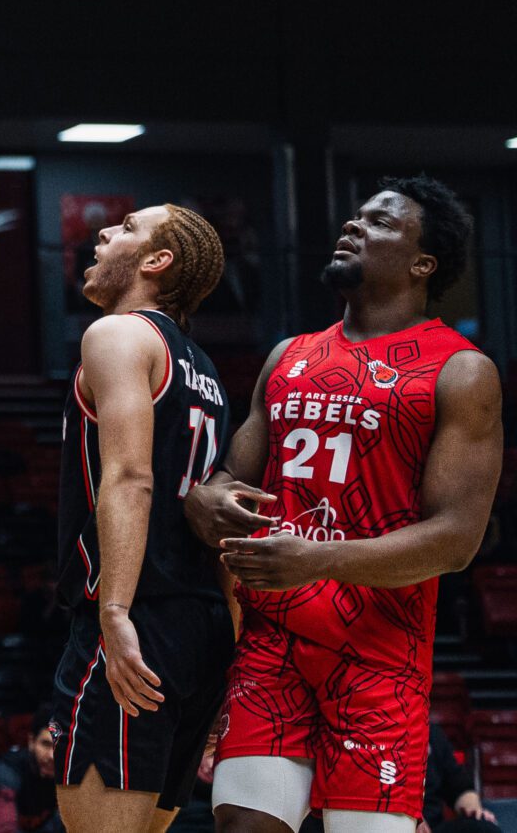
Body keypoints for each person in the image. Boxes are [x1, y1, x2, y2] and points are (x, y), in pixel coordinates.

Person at [186, 177, 505, 833]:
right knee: (243, 823)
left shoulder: (460, 369)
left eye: (381, 222)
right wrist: (206, 498)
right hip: (273, 641)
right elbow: (228, 480)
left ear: (423, 263)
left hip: (379, 652)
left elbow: (456, 539)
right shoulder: (289, 356)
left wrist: (316, 559)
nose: (354, 225)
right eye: (355, 217)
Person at [50, 204, 234, 833]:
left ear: (157, 261)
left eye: (128, 227)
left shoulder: (119, 336)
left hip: (138, 619)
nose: (104, 232)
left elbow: (131, 478)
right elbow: (219, 527)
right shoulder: (206, 371)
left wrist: (114, 612)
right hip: (201, 627)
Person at [0, 715, 65, 833]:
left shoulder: (71, 774)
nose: (51, 756)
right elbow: (6, 831)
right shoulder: (6, 773)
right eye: (45, 744)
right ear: (31, 742)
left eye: (60, 747)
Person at [422, 723, 497, 833]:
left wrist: (474, 810)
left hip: (433, 827)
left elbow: (460, 787)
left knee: (484, 828)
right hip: (401, 821)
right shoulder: (394, 737)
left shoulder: (432, 733)